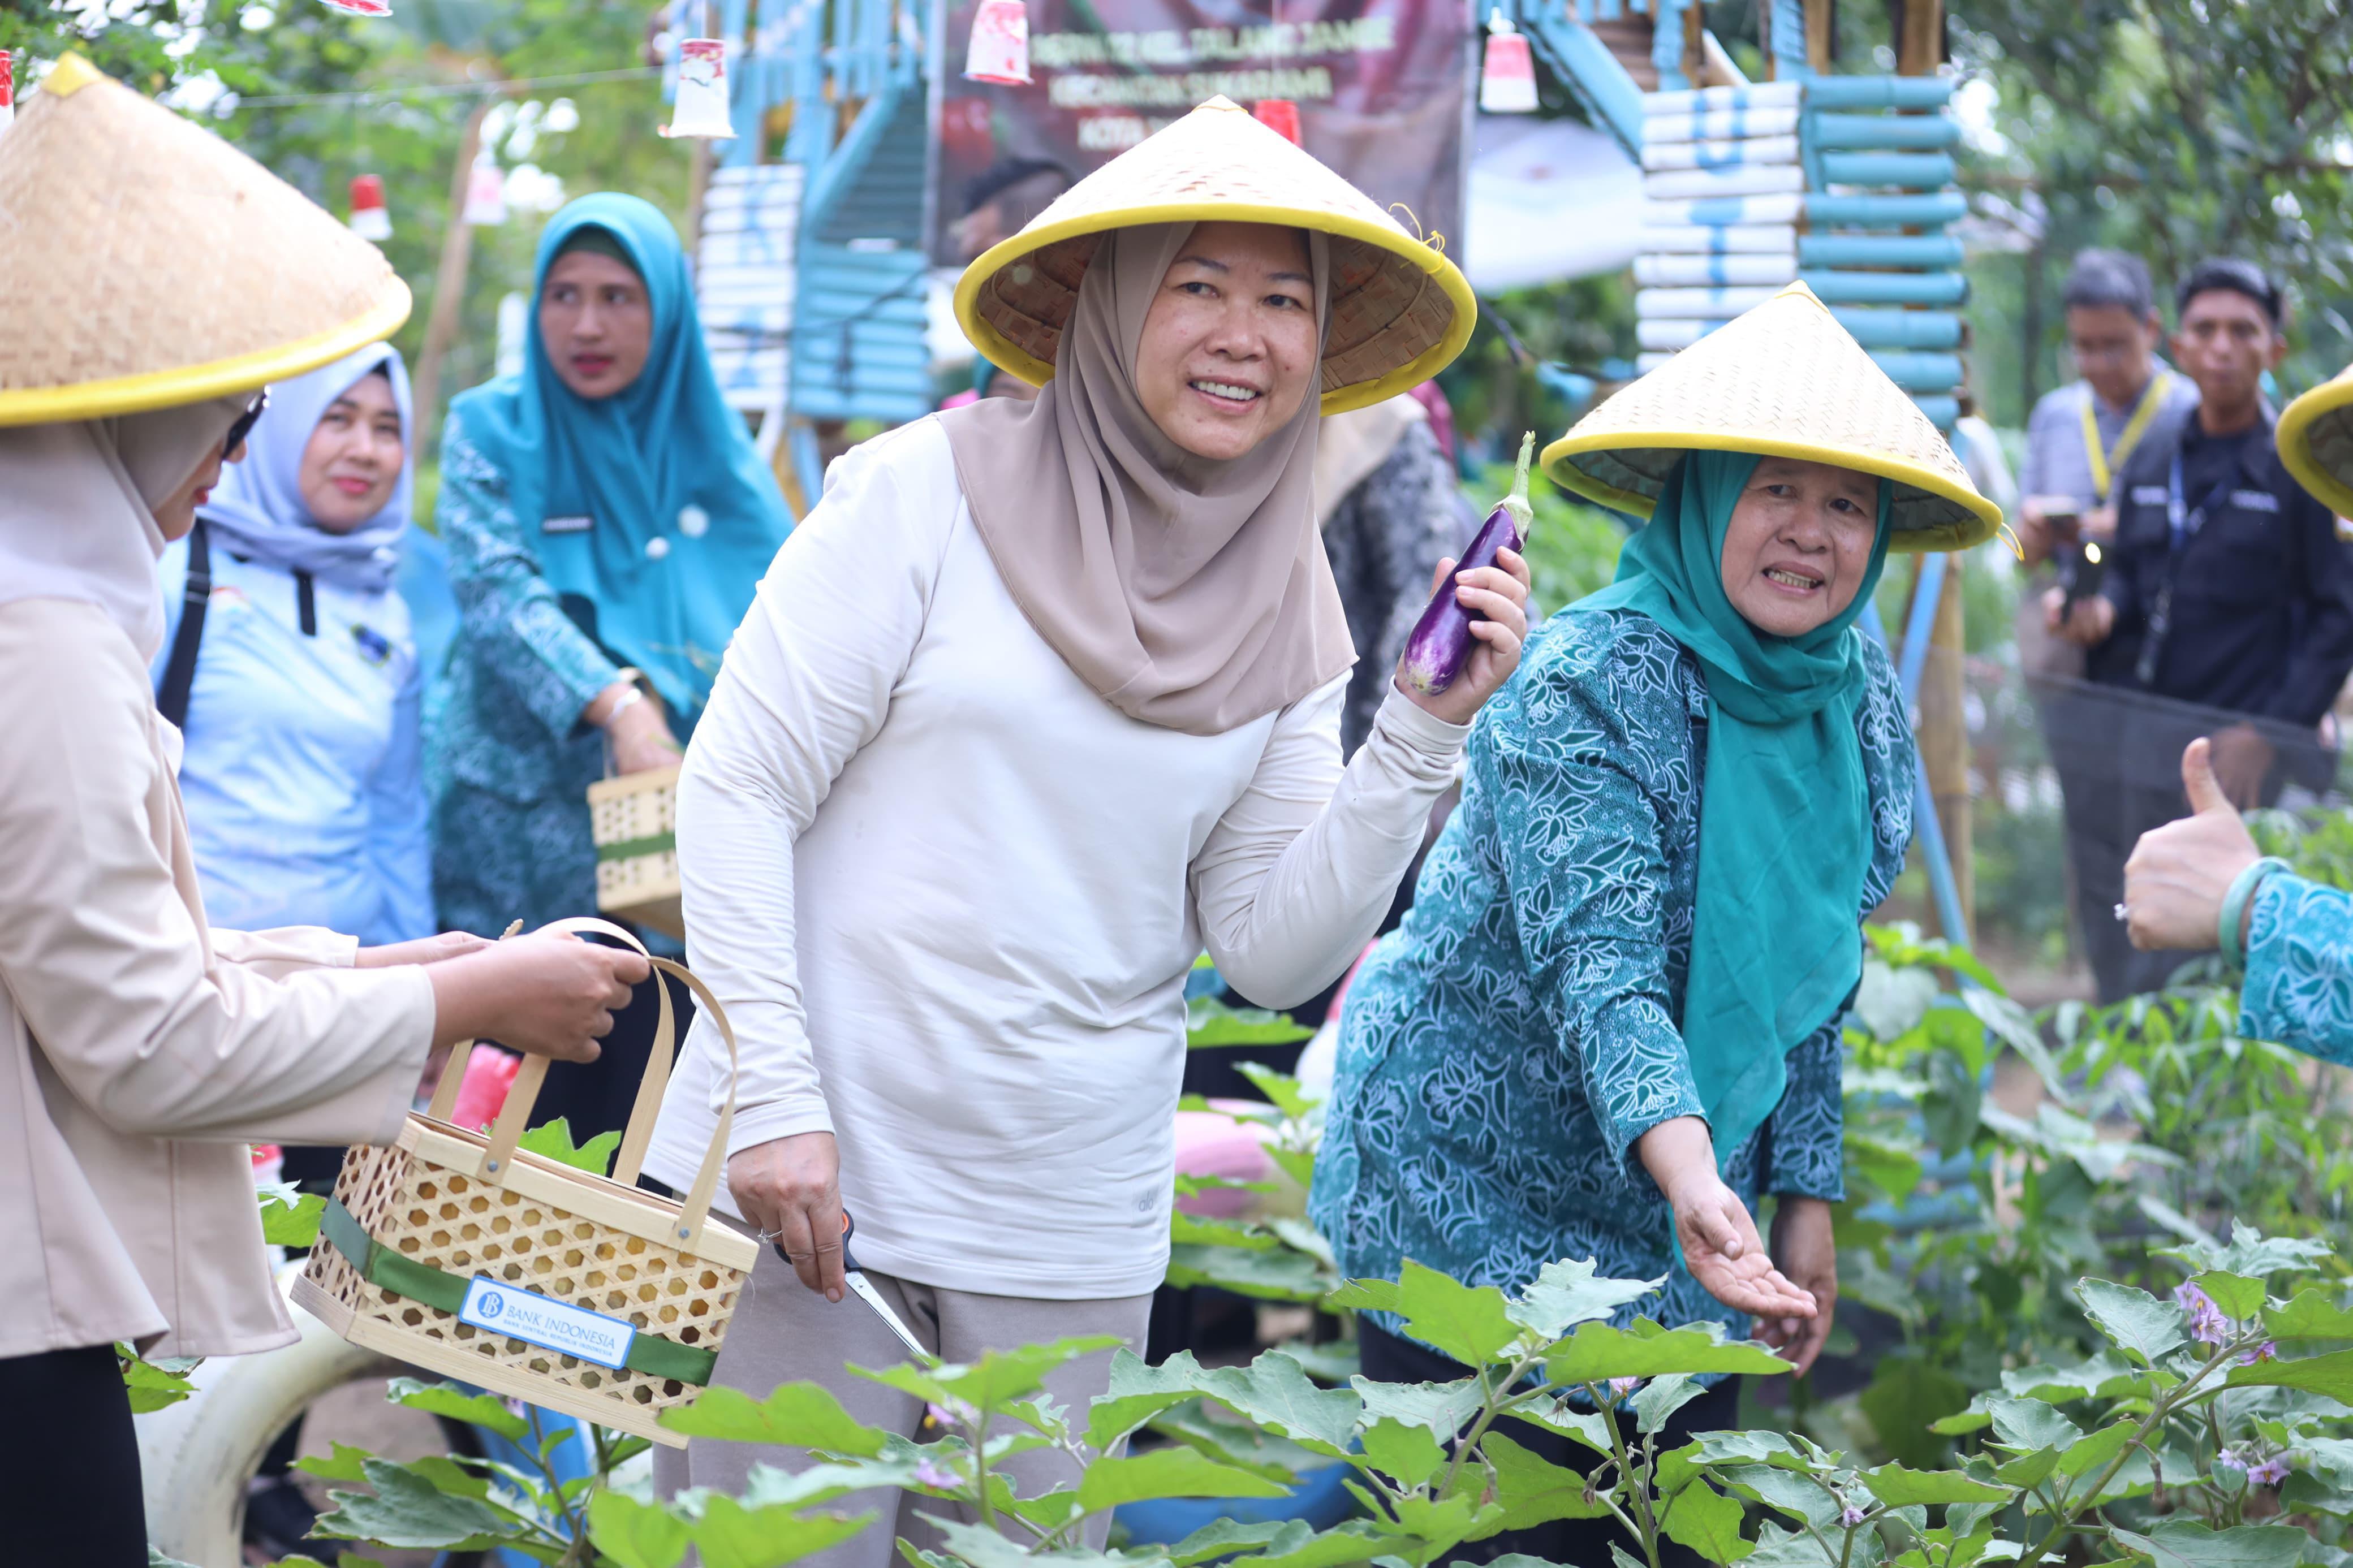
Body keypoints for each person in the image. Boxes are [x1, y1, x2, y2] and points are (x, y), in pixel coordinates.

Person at [643, 96, 1509, 1558]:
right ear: (1108, 305)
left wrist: (1421, 729)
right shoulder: (921, 495)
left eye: (1286, 299)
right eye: (1200, 284)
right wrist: (774, 1097)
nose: (1249, 333)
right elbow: (735, 787)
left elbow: (1273, 946)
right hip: (812, 1184)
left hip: (1064, 1226)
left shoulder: (1291, 594)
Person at [0, 58, 645, 1567]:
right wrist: (467, 991)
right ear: (129, 422)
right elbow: (148, 1039)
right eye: (234, 430)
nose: (227, 475)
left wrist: (400, 973)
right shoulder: (45, 647)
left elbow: (103, 980)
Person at [1312, 283, 1999, 1567]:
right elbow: (1603, 977)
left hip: (1690, 1218)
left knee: (1675, 1535)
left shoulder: (1850, 708)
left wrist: (1802, 1195)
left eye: (1846, 503)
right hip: (1465, 1192)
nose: (1810, 534)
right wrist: (1702, 1184)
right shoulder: (1585, 683)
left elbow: (1811, 978)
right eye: (1773, 491)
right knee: (1501, 1540)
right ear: (1700, 495)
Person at [429, 193, 793, 1132]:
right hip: (513, 850)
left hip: (671, 865)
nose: (587, 325)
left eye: (620, 297)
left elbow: (785, 631)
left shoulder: (725, 461)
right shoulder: (490, 429)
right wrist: (624, 707)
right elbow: (503, 597)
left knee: (632, 1129)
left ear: (668, 310)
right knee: (484, 1129)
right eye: (564, 295)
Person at [2046, 259, 2353, 999]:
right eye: (2207, 330)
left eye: (2242, 331)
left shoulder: (2299, 467)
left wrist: (2268, 732)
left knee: (2222, 913)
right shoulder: (2156, 455)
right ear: (2180, 346)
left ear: (2274, 350)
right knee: (2126, 888)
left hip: (2233, 742)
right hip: (2137, 725)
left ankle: (2220, 1087)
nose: (2222, 347)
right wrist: (2100, 606)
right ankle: (2125, 1055)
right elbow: (2126, 568)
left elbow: (2337, 612)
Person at [157, 343, 430, 948]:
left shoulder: (388, 611)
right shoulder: (176, 568)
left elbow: (396, 819)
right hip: (203, 972)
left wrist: (428, 981)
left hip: (352, 981)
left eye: (388, 429)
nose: (364, 448)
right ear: (281, 422)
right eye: (337, 418)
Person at [2013, 250, 2199, 679]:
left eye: (2114, 346)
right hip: (2071, 627)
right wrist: (2030, 538)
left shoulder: (2191, 412)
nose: (2098, 364)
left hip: (2168, 632)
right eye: (2084, 347)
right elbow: (2017, 552)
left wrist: (2110, 526)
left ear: (2151, 328)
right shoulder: (2053, 416)